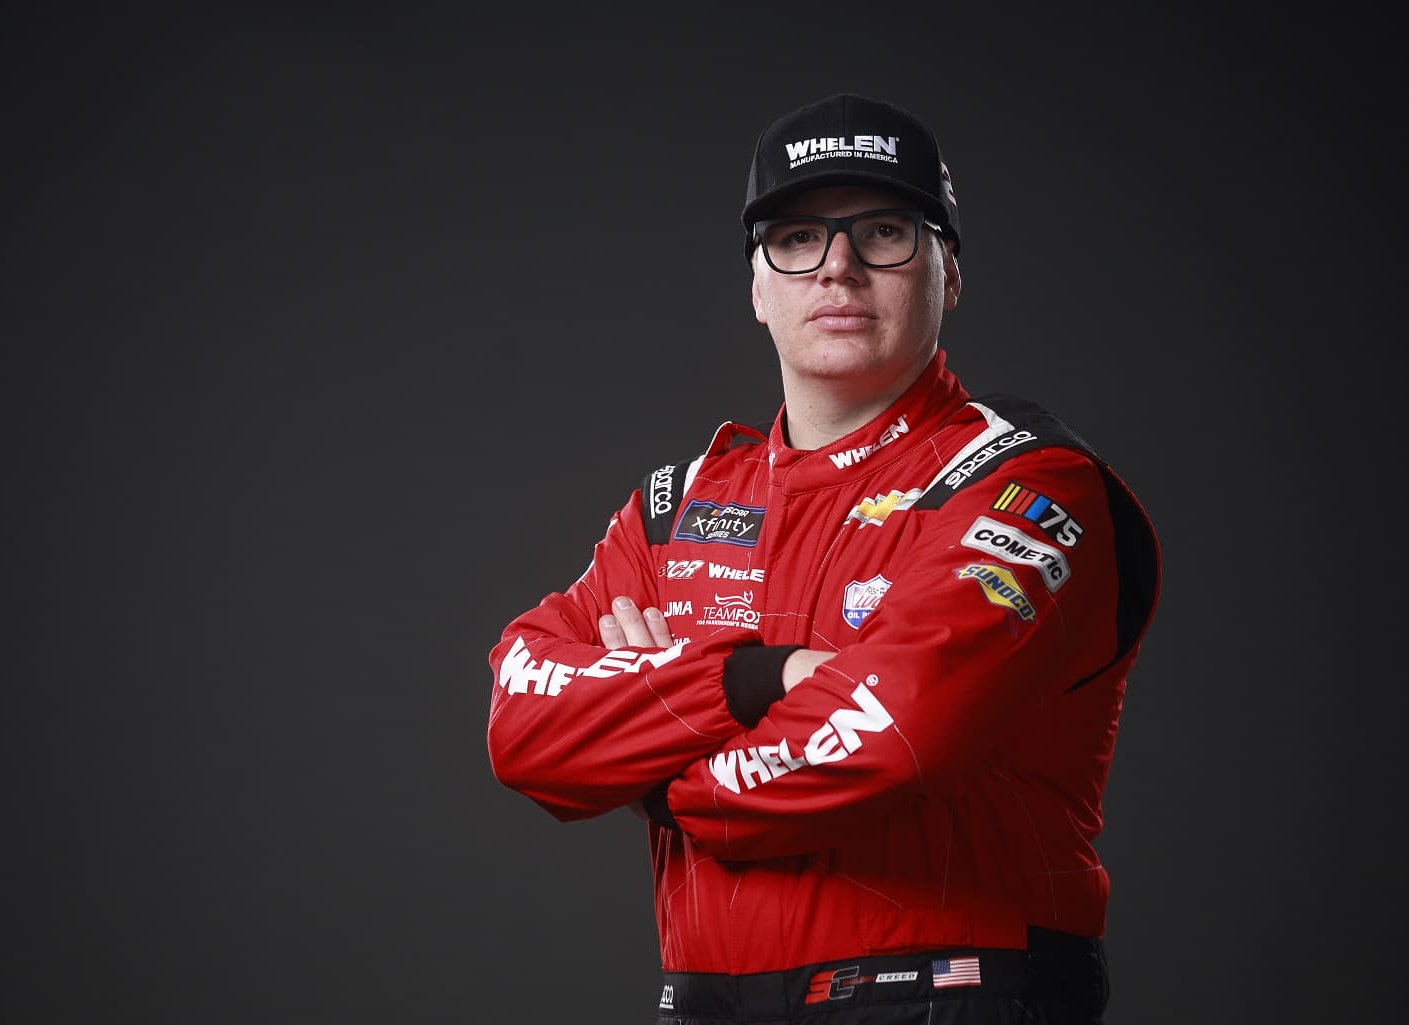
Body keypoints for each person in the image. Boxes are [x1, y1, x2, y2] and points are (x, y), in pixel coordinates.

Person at [486, 92, 1160, 1025]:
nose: (837, 268)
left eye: (884, 231)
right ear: (758, 286)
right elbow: (522, 724)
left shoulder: (1028, 485)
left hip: (948, 994)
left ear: (948, 271)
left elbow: (890, 735)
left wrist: (650, 767)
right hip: (704, 1000)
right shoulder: (678, 508)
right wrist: (758, 680)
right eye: (798, 239)